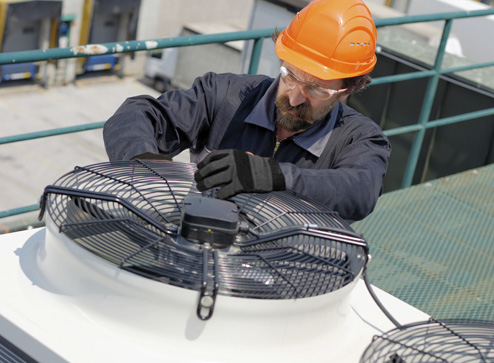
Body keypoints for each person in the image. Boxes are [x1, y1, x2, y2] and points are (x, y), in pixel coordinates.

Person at [103, 0, 391, 222]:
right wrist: (148, 168)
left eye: (316, 89)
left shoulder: (361, 138)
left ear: (349, 89)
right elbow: (136, 115)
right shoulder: (222, 94)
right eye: (290, 75)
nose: (293, 97)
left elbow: (360, 190)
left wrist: (274, 176)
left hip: (284, 272)